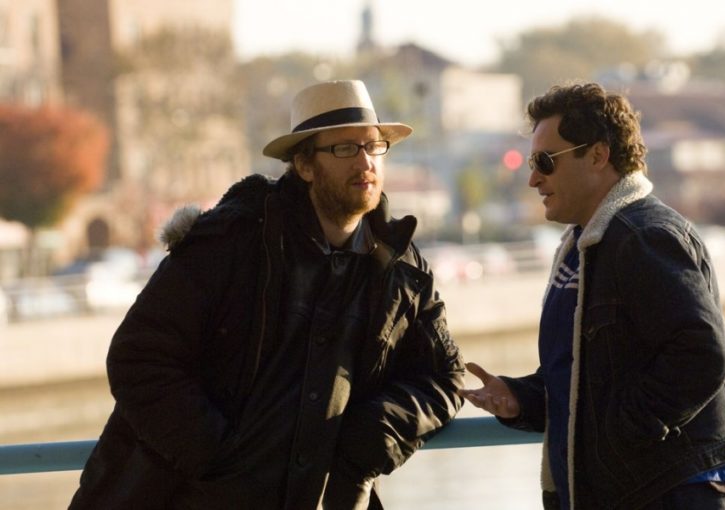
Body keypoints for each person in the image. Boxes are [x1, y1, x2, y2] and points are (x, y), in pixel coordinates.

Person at [70, 79, 464, 510]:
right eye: (344, 148)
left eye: (374, 146)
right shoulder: (229, 240)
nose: (365, 161)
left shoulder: (402, 268)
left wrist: (367, 443)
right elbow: (139, 357)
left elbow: (444, 376)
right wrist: (219, 459)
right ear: (305, 165)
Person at [459, 82, 725, 509]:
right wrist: (520, 398)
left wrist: (623, 433)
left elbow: (703, 353)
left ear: (598, 155)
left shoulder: (643, 236)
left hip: (673, 494)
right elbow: (587, 380)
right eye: (532, 163)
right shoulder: (586, 247)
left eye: (546, 162)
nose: (533, 178)